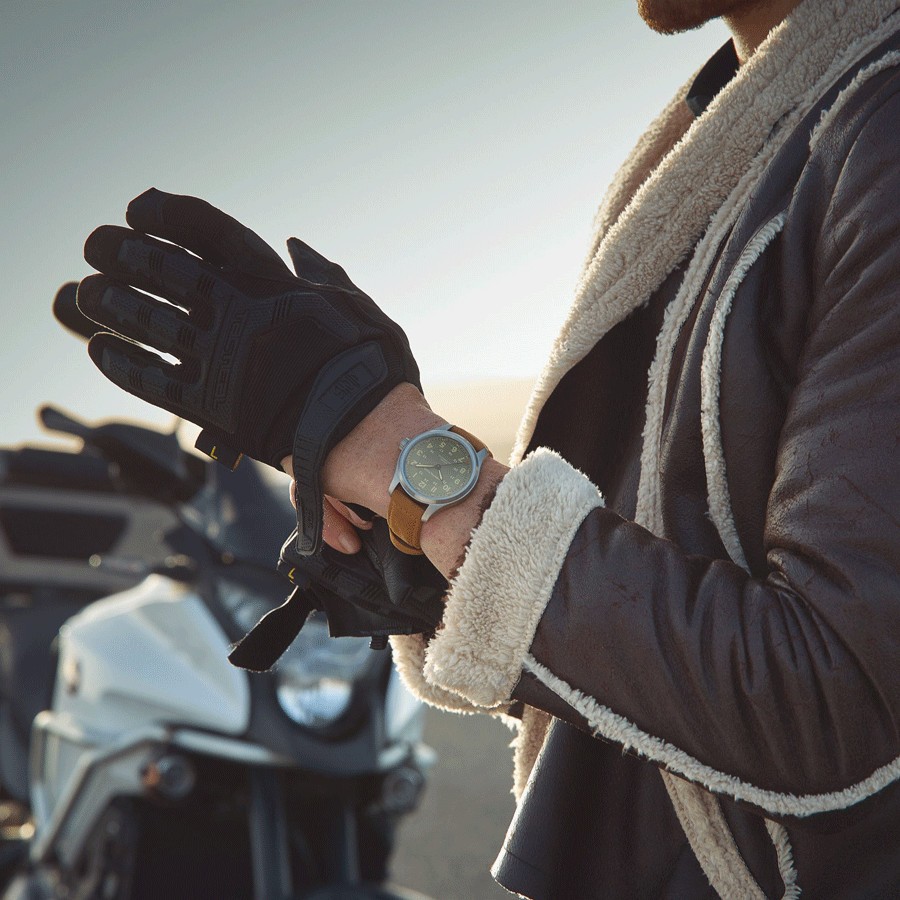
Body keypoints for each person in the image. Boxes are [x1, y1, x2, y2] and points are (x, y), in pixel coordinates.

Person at [69, 0, 899, 895]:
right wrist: (415, 546)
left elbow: (842, 705)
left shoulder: (875, 131)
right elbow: (677, 582)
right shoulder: (739, 133)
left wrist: (398, 451)